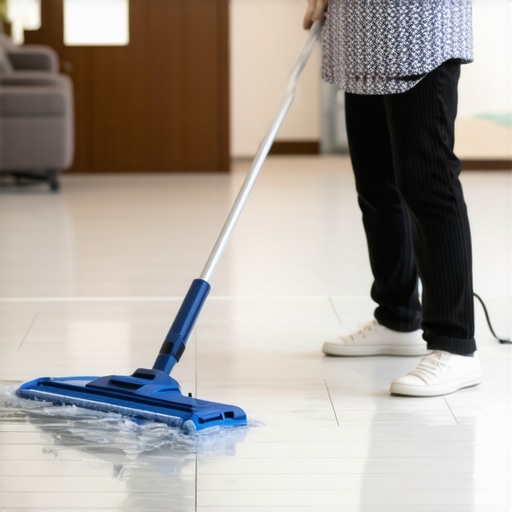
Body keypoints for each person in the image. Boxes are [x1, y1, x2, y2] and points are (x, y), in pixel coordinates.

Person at [303, 0, 482, 397]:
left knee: (427, 181)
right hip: (361, 30)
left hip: (418, 25)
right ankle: (397, 315)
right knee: (375, 181)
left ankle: (454, 344)